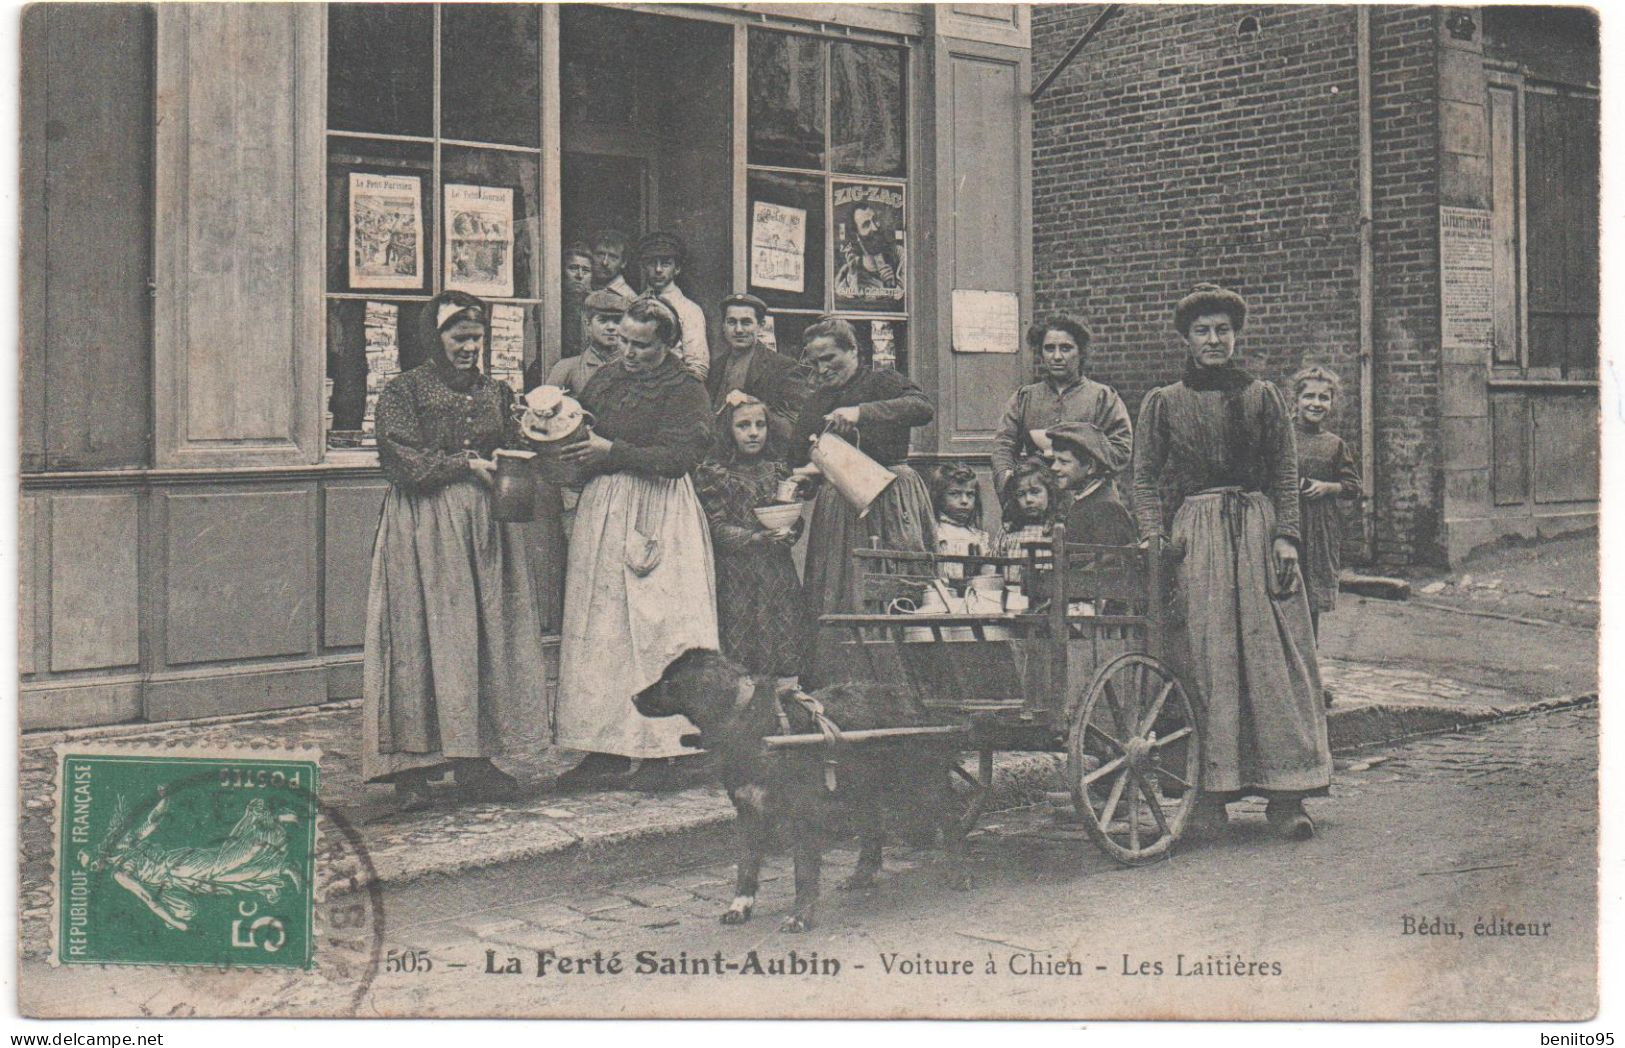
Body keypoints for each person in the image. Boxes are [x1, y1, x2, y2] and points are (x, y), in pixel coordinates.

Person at [1131, 283, 1331, 841]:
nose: (1214, 339)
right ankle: (1208, 799)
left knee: (1274, 661)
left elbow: (1284, 470)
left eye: (1223, 330)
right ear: (1187, 339)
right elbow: (1144, 477)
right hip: (1196, 536)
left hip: (1260, 532)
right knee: (1206, 658)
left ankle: (1286, 796)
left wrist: (1287, 535)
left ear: (1235, 336)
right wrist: (1153, 534)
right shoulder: (1164, 401)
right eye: (1203, 331)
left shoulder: (1263, 397)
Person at [362, 291, 547, 810]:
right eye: (458, 337)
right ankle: (412, 768)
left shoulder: (496, 391)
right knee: (422, 632)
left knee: (480, 635)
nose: (469, 347)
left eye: (476, 338)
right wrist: (466, 466)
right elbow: (400, 458)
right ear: (435, 338)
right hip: (425, 523)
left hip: (485, 525)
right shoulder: (405, 390)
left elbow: (515, 444)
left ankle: (475, 759)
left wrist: (537, 435)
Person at [553, 296, 717, 788]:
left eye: (642, 345)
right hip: (605, 506)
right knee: (600, 628)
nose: (628, 352)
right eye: (623, 340)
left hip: (658, 507)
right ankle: (604, 747)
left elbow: (681, 456)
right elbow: (584, 430)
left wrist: (613, 450)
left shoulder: (685, 388)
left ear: (666, 344)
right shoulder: (607, 378)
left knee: (659, 626)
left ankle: (666, 751)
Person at [790, 316, 935, 682]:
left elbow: (921, 407)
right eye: (815, 361)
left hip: (890, 499)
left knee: (891, 585)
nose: (822, 368)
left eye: (830, 358)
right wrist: (806, 474)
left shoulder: (880, 381)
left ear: (853, 350)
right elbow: (799, 453)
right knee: (840, 588)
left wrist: (861, 413)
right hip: (841, 505)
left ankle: (904, 679)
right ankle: (845, 681)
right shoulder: (816, 401)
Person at [693, 395, 809, 682]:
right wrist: (756, 538)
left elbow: (792, 517)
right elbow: (714, 527)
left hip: (776, 574)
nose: (754, 432)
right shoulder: (714, 473)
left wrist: (791, 531)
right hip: (735, 577)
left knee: (782, 649)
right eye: (743, 426)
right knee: (740, 657)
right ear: (728, 431)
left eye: (760, 425)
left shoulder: (778, 469)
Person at [990, 314, 1133, 499]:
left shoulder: (1103, 397)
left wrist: (1083, 453)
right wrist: (1009, 483)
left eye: (1066, 348)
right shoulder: (1024, 398)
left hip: (1090, 501)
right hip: (1038, 505)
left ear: (1081, 352)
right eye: (1049, 349)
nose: (1057, 356)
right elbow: (1004, 446)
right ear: (1041, 353)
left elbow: (1121, 451)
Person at [1292, 365, 1361, 704]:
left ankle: (1310, 682)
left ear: (1332, 403)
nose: (1316, 403)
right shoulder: (1282, 438)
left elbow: (1353, 486)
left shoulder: (1335, 445)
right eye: (1309, 396)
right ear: (1296, 400)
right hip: (1287, 527)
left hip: (1319, 532)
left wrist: (1327, 486)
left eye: (1324, 397)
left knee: (1311, 606)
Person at [706, 292, 808, 447]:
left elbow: (796, 428)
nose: (738, 330)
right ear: (723, 326)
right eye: (732, 322)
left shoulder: (783, 368)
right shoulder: (715, 366)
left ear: (760, 326)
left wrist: (752, 404)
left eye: (746, 322)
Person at [1047, 421, 1137, 546]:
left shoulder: (1106, 509)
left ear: (1090, 466)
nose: (1054, 467)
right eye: (1054, 460)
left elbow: (1111, 562)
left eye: (1063, 462)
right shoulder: (1085, 501)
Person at [638, 230, 710, 381]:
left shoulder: (689, 310)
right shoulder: (634, 305)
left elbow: (697, 368)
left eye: (665, 264)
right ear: (644, 267)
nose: (658, 270)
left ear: (677, 269)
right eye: (652, 263)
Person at [536, 288, 629, 396]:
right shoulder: (567, 368)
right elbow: (546, 408)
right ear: (588, 324)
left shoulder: (638, 367)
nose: (611, 327)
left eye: (617, 321)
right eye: (602, 320)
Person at [993, 456, 1059, 586]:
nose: (1028, 499)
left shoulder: (1057, 529)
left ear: (1049, 494)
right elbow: (993, 564)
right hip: (1013, 594)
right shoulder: (1009, 529)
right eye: (1021, 494)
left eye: (1035, 492)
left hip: (1048, 595)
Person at [929, 463, 991, 580]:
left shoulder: (977, 536)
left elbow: (986, 575)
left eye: (970, 494)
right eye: (954, 494)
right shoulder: (935, 532)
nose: (964, 501)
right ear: (939, 497)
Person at [558, 242, 595, 361]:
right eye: (573, 268)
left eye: (586, 270)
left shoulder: (598, 306)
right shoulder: (552, 304)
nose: (579, 275)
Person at [590, 228, 636, 300]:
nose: (605, 263)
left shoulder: (628, 298)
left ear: (623, 263)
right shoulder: (583, 289)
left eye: (613, 257)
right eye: (600, 254)